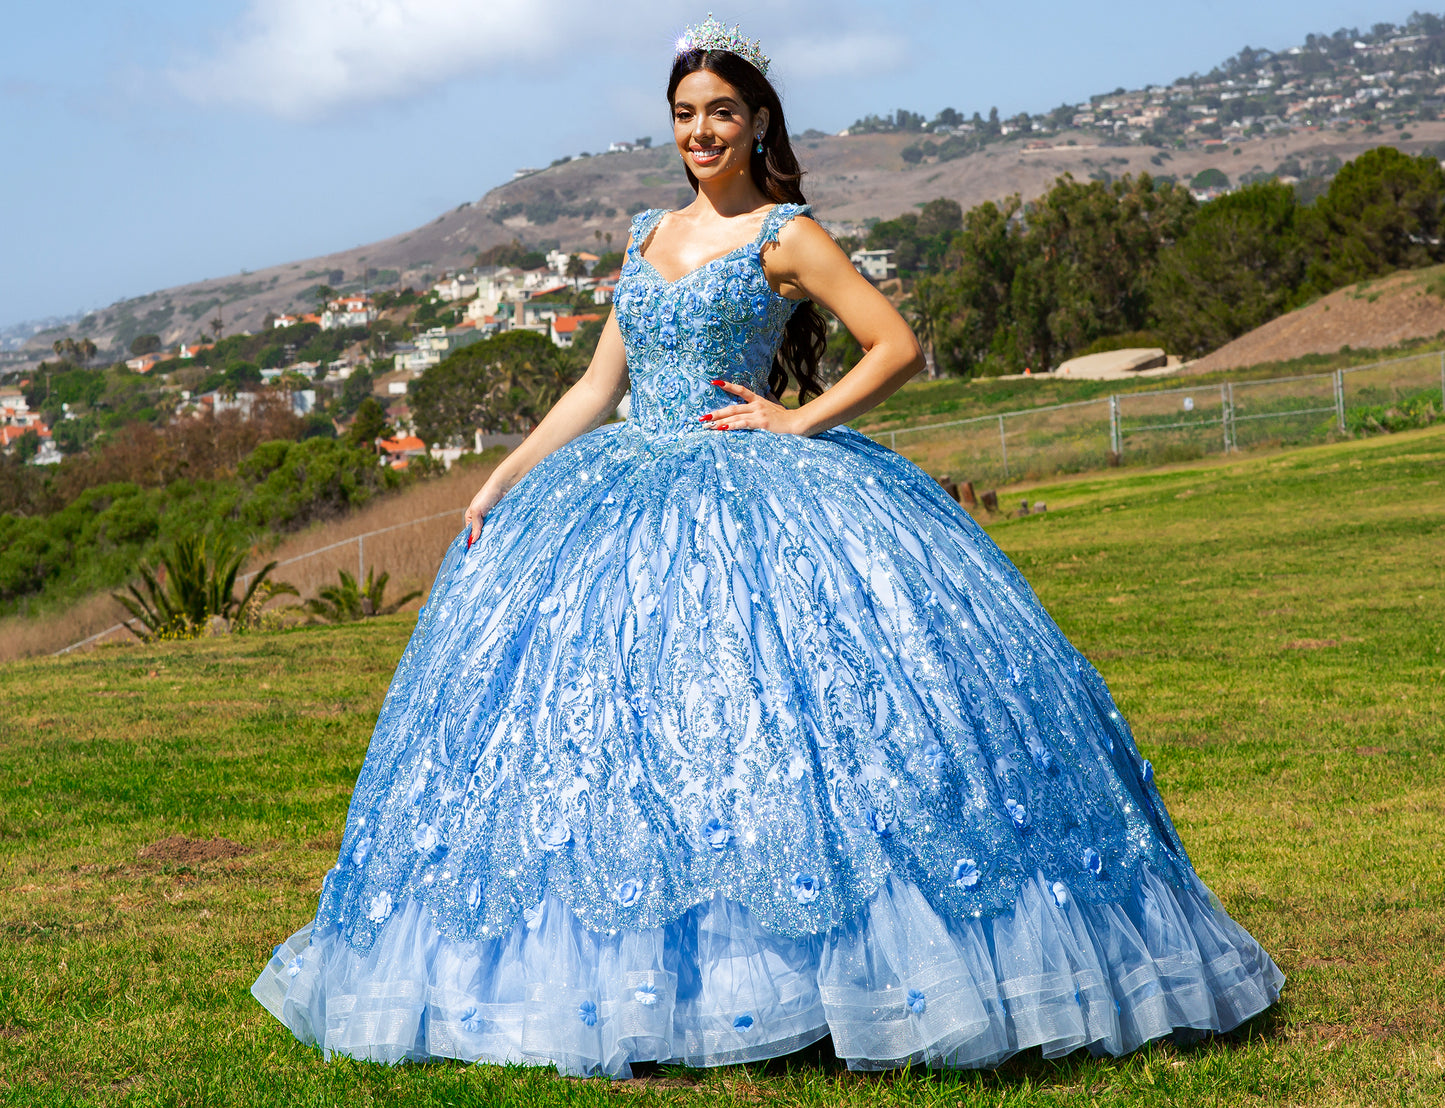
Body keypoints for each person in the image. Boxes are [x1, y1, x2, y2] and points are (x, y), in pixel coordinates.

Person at [253, 15, 1282, 1078]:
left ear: (755, 124)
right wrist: (503, 476)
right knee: (629, 739)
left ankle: (838, 976)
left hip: (748, 489)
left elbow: (896, 344)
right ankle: (657, 983)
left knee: (787, 721)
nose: (701, 132)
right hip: (619, 496)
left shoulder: (784, 235)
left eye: (720, 114)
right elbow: (597, 386)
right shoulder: (645, 237)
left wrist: (799, 419)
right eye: (685, 115)